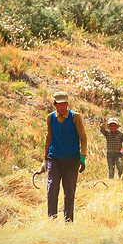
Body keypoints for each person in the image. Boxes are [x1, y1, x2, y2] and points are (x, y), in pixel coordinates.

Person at [39, 91, 87, 222]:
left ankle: (68, 221)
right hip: (54, 158)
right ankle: (52, 220)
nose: (63, 106)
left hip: (72, 159)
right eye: (60, 104)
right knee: (52, 188)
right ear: (54, 104)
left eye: (65, 103)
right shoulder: (50, 118)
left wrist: (83, 157)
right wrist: (45, 160)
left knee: (69, 191)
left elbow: (83, 137)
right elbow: (48, 137)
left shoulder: (75, 117)